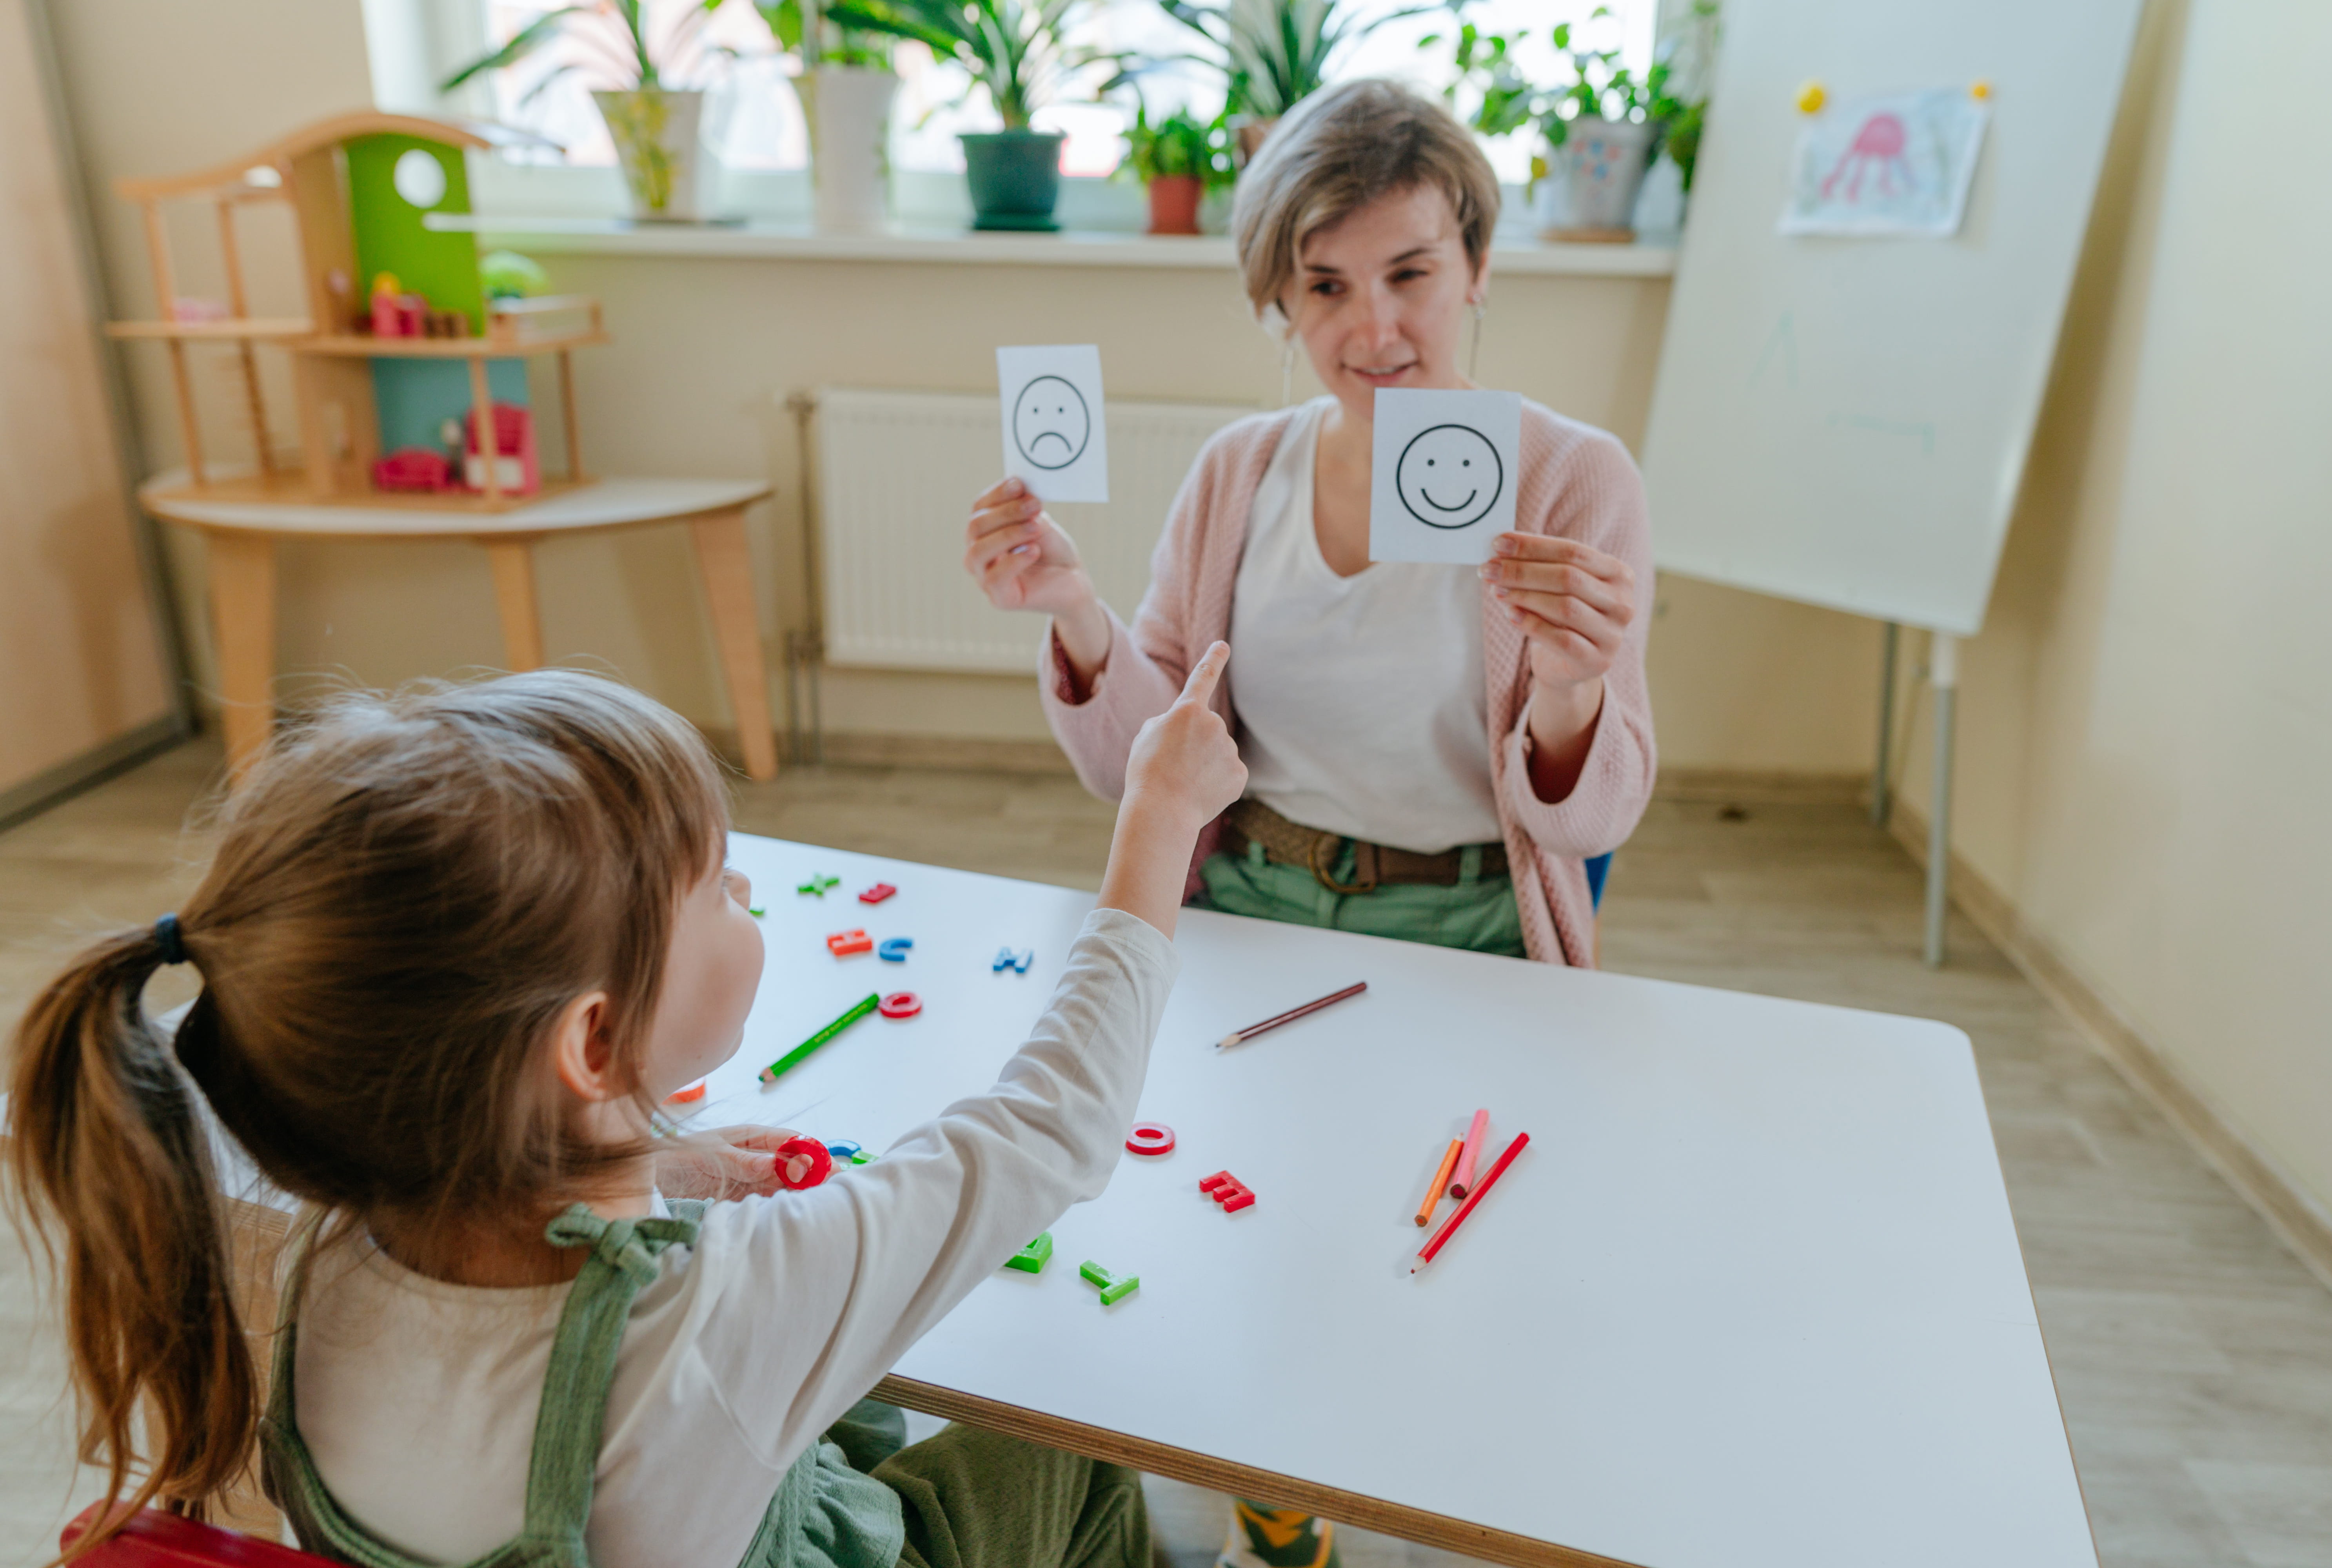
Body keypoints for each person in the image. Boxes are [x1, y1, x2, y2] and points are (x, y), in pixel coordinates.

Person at [8, 659, 1245, 1568]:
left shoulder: (324, 1255)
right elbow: (1051, 1129)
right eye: (715, 883)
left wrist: (671, 1164)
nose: (749, 884)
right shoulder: (717, 1312)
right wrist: (1157, 824)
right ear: (593, 1043)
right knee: (1068, 1448)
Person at [961, 78, 1655, 1568]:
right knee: (1236, 1227)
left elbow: (1597, 804)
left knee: (1429, 1257)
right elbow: (1141, 761)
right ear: (1278, 298)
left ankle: (1432, 1498)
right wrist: (1074, 609)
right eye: (1324, 287)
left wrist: (1577, 684)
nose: (1373, 331)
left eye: (1410, 275)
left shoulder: (1573, 479)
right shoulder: (1237, 475)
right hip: (1254, 911)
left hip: (1469, 924)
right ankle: (1269, 1493)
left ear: (1477, 268)